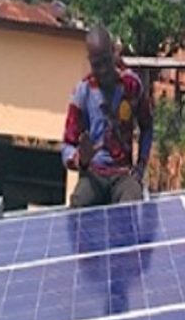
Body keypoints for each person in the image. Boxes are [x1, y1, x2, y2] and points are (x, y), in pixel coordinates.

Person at [62, 25, 153, 207]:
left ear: (114, 53)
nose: (102, 70)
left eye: (105, 61)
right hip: (94, 174)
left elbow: (147, 125)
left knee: (131, 203)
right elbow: (67, 145)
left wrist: (140, 166)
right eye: (96, 64)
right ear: (89, 61)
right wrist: (81, 158)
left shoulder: (132, 86)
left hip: (123, 174)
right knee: (78, 204)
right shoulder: (83, 92)